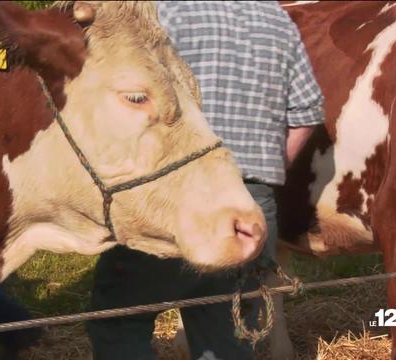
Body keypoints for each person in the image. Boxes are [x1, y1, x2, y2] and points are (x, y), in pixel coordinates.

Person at [86, 1, 324, 359]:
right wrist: (266, 171)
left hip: (177, 198)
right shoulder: (277, 19)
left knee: (116, 319)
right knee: (224, 336)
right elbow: (308, 112)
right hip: (252, 207)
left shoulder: (163, 13)